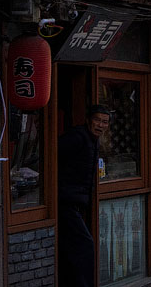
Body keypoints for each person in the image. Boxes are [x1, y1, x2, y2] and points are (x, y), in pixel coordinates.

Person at [58, 104, 111, 287]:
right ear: (88, 120)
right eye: (97, 120)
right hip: (66, 201)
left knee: (72, 248)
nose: (101, 125)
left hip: (79, 201)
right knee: (85, 245)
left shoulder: (93, 140)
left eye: (105, 122)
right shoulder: (77, 137)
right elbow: (54, 155)